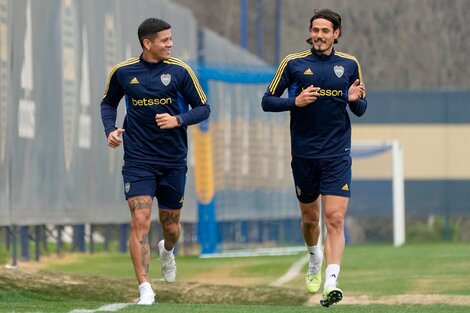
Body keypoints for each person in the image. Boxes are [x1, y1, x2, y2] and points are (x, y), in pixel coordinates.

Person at [100, 17, 210, 305]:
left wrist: (178, 119)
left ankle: (168, 250)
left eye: (171, 39)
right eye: (164, 40)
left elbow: (203, 108)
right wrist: (110, 130)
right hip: (138, 159)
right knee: (139, 221)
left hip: (173, 159)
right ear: (147, 43)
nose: (170, 44)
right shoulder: (123, 72)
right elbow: (108, 103)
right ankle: (145, 288)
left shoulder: (180, 71)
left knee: (171, 226)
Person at [261, 9, 366, 307]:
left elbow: (360, 107)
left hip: (337, 153)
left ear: (337, 34)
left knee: (335, 218)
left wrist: (353, 100)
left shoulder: (349, 64)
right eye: (315, 30)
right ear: (310, 32)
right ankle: (313, 257)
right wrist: (295, 101)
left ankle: (331, 282)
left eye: (325, 30)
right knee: (310, 220)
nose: (319, 35)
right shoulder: (293, 64)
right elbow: (267, 101)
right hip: (304, 154)